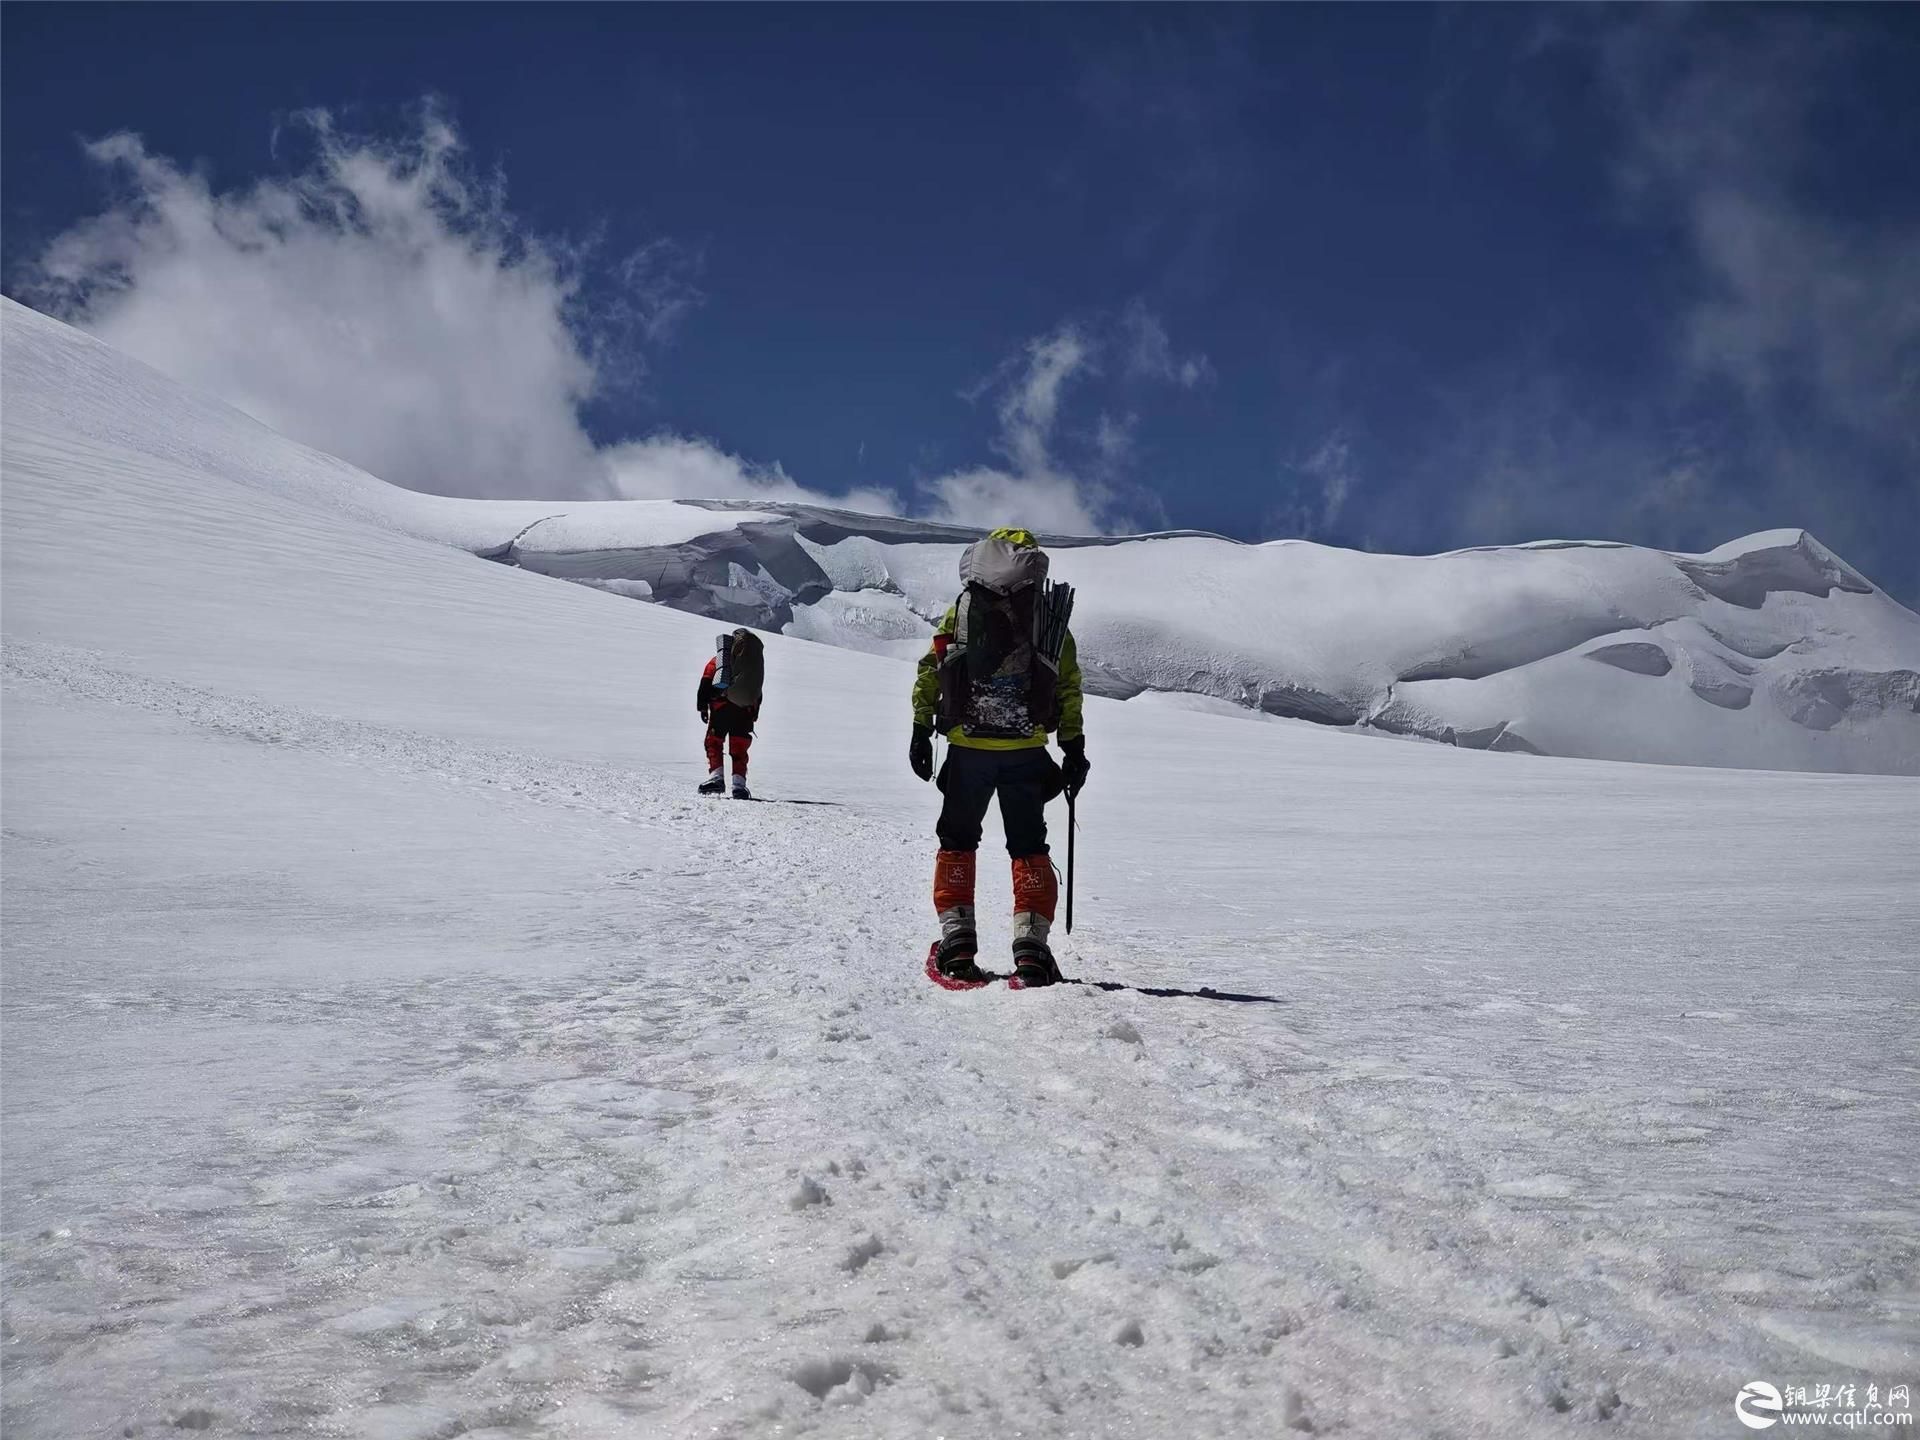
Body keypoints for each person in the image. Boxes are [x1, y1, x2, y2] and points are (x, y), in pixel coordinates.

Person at [910, 527, 1089, 986]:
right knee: (1029, 847)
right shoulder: (1046, 618)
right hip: (1027, 751)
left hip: (968, 749)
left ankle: (956, 946)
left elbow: (935, 667)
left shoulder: (964, 608)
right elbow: (1066, 685)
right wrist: (1073, 747)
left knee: (958, 842)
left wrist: (919, 726)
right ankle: (1031, 952)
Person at [698, 628, 765, 799]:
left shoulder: (720, 661)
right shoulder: (752, 667)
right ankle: (739, 786)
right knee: (740, 748)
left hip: (721, 708)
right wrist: (754, 713)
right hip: (745, 711)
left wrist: (702, 707)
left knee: (713, 742)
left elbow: (706, 682)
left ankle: (716, 778)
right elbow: (757, 692)